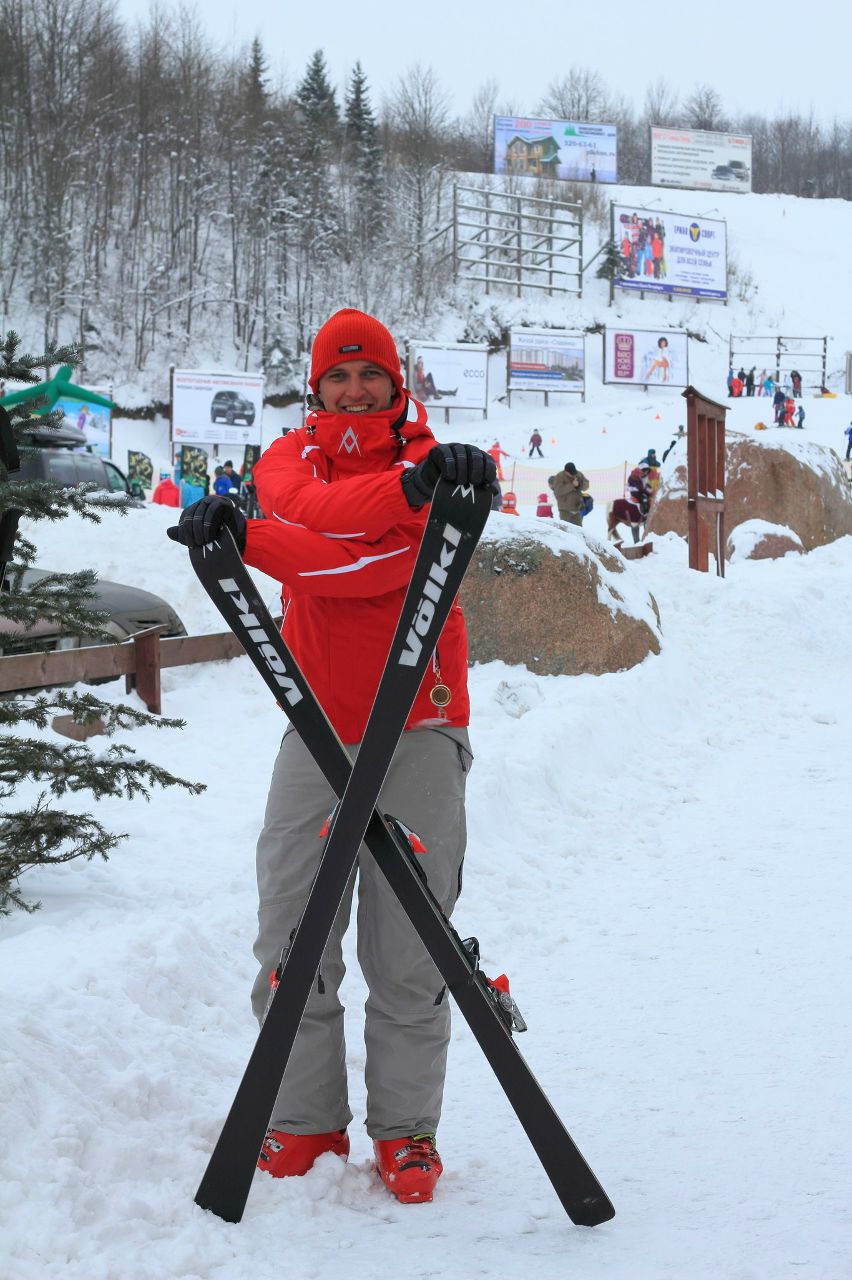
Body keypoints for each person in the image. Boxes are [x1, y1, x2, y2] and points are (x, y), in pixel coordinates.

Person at [166, 308, 496, 1206]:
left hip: (420, 727)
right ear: (316, 391)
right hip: (315, 727)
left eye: (370, 376)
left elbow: (363, 571)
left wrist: (264, 549)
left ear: (398, 386)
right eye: (337, 378)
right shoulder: (288, 464)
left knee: (411, 944)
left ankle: (407, 1133)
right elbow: (316, 521)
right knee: (291, 931)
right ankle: (305, 1116)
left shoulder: (441, 468)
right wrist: (390, 510)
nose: (354, 390)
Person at [548, 461, 588, 526]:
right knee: (565, 531)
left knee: (578, 531)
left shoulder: (578, 474)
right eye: (571, 473)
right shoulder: (559, 477)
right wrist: (572, 485)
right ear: (566, 471)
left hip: (577, 509)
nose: (573, 475)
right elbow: (558, 491)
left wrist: (579, 485)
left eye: (574, 473)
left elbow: (586, 486)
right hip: (565, 510)